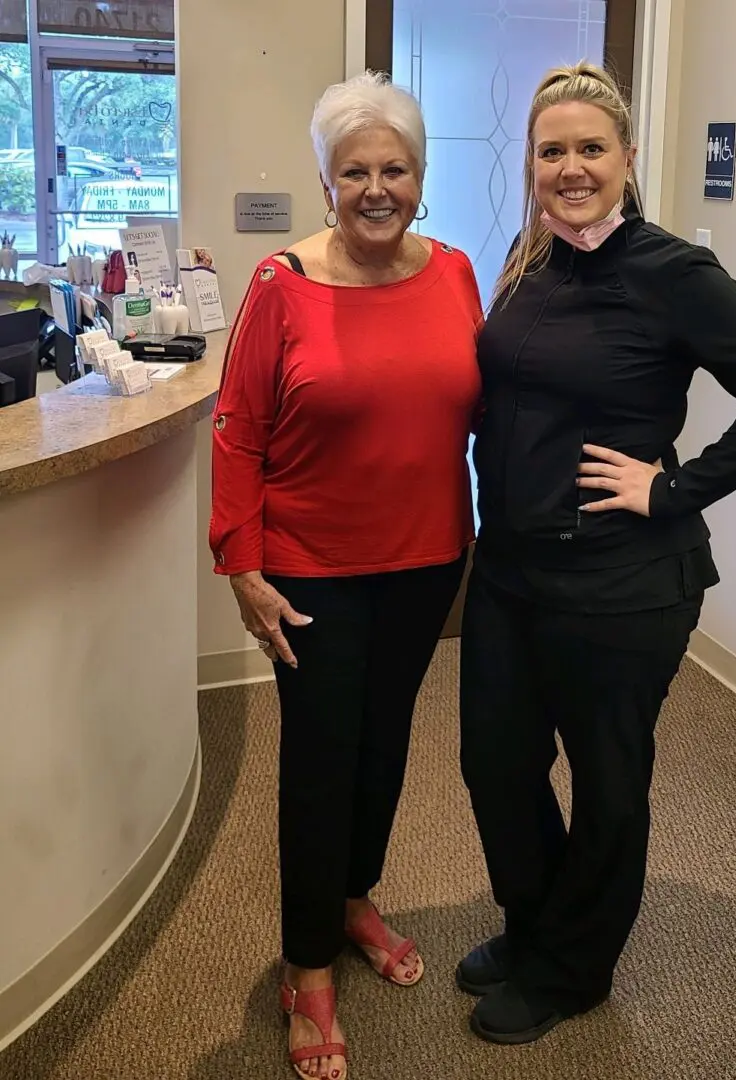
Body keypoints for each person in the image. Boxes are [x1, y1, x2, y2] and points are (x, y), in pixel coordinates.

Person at [457, 62, 736, 1045]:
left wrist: (672, 487)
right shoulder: (529, 262)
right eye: (552, 151)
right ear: (531, 164)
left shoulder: (673, 271)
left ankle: (573, 969)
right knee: (495, 762)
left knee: (607, 781)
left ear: (624, 158)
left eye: (590, 149)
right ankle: (535, 924)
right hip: (508, 571)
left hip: (621, 582)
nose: (570, 168)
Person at [209, 71, 482, 1079]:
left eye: (394, 168)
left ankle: (354, 893)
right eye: (354, 170)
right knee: (322, 759)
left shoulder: (454, 272)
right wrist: (238, 563)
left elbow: (480, 405)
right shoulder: (283, 284)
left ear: (420, 176)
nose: (376, 186)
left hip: (427, 561)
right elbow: (236, 430)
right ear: (327, 185)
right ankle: (308, 965)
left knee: (386, 742)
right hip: (311, 572)